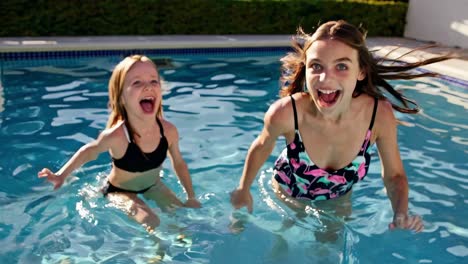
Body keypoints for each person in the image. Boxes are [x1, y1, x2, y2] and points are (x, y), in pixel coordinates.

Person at [231, 20, 452, 234]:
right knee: (283, 241)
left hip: (338, 199)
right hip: (288, 194)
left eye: (342, 66)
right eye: (316, 66)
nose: (326, 78)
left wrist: (401, 212)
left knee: (328, 249)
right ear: (305, 69)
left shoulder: (377, 115)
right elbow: (261, 146)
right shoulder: (287, 113)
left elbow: (394, 176)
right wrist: (243, 189)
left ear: (361, 71)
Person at [38, 55, 201, 234]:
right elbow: (89, 152)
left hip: (154, 185)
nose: (148, 86)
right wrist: (61, 175)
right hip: (119, 190)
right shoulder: (117, 136)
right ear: (121, 97)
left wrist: (191, 196)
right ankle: (155, 256)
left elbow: (179, 163)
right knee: (151, 220)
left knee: (182, 217)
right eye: (137, 82)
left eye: (154, 81)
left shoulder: (168, 131)